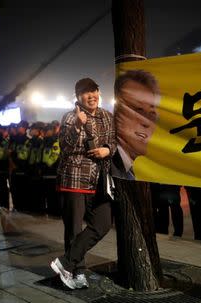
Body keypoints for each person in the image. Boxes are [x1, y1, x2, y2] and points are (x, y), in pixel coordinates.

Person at [50, 78, 117, 289]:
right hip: (74, 179)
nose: (92, 96)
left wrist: (108, 149)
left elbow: (115, 141)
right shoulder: (70, 116)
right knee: (74, 229)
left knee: (103, 223)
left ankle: (65, 263)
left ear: (99, 92)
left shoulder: (107, 116)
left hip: (98, 181)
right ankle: (77, 272)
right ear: (78, 96)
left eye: (94, 91)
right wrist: (78, 125)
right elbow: (65, 147)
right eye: (86, 93)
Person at [111, 69, 160, 180]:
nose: (146, 122)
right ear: (117, 113)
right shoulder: (109, 165)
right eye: (138, 110)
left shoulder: (129, 168)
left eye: (152, 113)